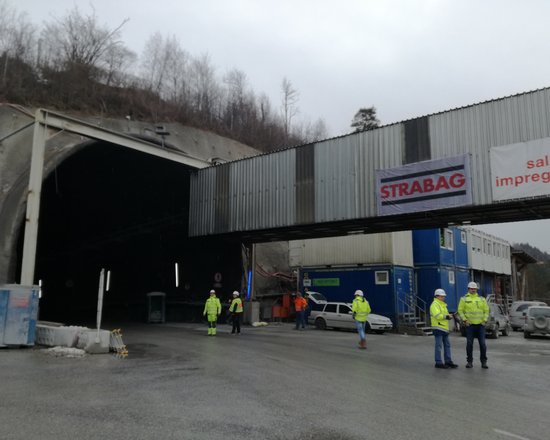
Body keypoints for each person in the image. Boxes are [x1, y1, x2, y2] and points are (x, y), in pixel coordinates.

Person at [458, 281, 490, 369]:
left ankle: (484, 362)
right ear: (468, 289)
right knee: (469, 344)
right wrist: (465, 320)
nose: (473, 290)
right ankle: (469, 362)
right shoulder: (463, 299)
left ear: (476, 289)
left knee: (483, 344)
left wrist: (484, 320)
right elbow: (460, 310)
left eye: (474, 289)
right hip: (470, 325)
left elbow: (486, 310)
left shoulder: (482, 299)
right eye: (471, 289)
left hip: (480, 325)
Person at [430, 289, 458, 369]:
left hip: (444, 328)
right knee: (439, 346)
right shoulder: (434, 304)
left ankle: (448, 361)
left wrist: (448, 316)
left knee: (447, 345)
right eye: (442, 296)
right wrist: (447, 316)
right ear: (437, 296)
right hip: (438, 328)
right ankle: (438, 362)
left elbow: (444, 315)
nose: (443, 298)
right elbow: (437, 315)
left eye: (444, 296)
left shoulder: (443, 305)